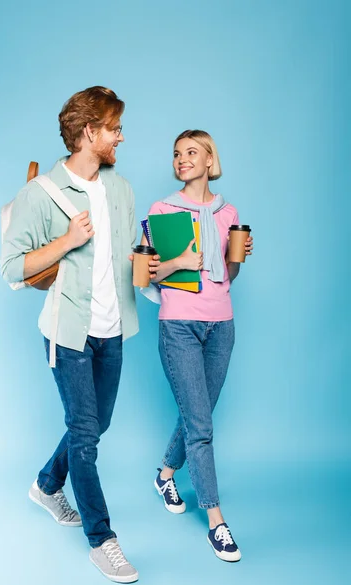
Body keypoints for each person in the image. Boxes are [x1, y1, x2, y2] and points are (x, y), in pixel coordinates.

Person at [0, 86, 159, 583]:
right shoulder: (41, 194)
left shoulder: (122, 189)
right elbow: (11, 268)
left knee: (96, 424)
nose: (121, 137)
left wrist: (155, 266)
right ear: (90, 133)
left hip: (113, 332)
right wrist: (67, 241)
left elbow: (126, 256)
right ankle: (102, 539)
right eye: (114, 129)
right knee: (87, 436)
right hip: (66, 333)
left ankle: (48, 484)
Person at [146, 130, 253, 562]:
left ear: (210, 160)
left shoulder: (229, 212)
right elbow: (149, 274)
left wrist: (239, 255)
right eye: (176, 153)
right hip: (179, 326)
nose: (181, 159)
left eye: (192, 152)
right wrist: (179, 262)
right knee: (202, 426)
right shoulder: (162, 210)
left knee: (198, 416)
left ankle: (165, 474)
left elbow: (230, 276)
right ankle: (216, 521)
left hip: (221, 325)